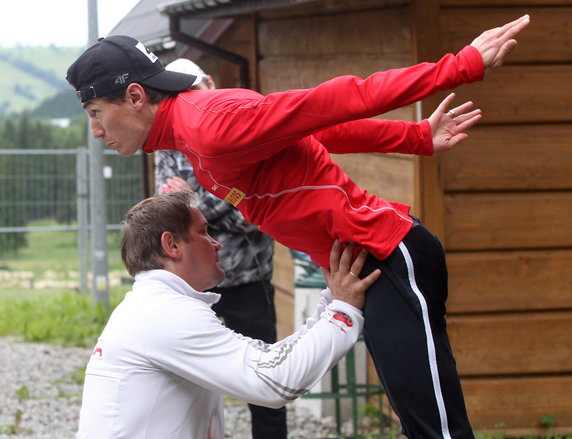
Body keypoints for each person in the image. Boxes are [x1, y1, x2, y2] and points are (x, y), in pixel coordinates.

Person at [67, 14, 530, 438]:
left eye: (95, 114)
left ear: (134, 96)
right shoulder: (190, 136)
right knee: (420, 427)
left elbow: (330, 103)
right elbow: (313, 132)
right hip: (366, 267)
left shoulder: (209, 124)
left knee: (437, 431)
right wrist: (414, 138)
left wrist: (459, 66)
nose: (96, 131)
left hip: (389, 252)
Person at [76, 190, 380, 439]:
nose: (217, 243)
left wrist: (331, 303)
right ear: (172, 245)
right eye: (204, 232)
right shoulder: (165, 313)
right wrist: (344, 312)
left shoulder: (153, 305)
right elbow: (273, 382)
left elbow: (268, 358)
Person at [155, 58, 287, 439]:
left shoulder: (241, 129)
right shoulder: (170, 140)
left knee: (266, 382)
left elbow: (256, 215)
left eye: (195, 90)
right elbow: (168, 211)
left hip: (249, 278)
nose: (191, 101)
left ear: (211, 83)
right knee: (188, 382)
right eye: (182, 95)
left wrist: (193, 203)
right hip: (194, 284)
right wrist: (220, 200)